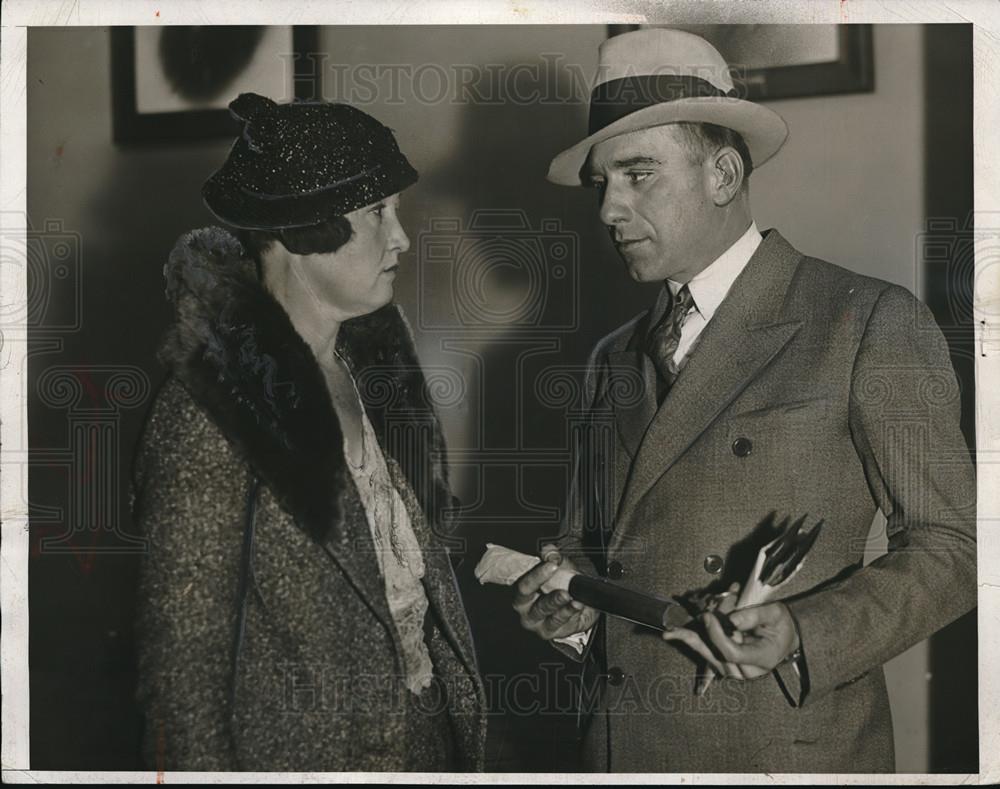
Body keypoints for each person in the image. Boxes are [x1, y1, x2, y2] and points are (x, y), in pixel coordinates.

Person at [512, 29, 976, 773]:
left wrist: (803, 631)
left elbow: (955, 547)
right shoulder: (610, 359)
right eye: (602, 184)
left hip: (778, 751)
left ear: (723, 174)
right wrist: (571, 608)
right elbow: (589, 549)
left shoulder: (864, 322)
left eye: (638, 175)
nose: (608, 210)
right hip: (621, 750)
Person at [132, 92, 485, 772]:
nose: (401, 237)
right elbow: (183, 680)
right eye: (377, 212)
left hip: (424, 743)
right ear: (303, 231)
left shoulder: (372, 369)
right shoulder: (209, 409)